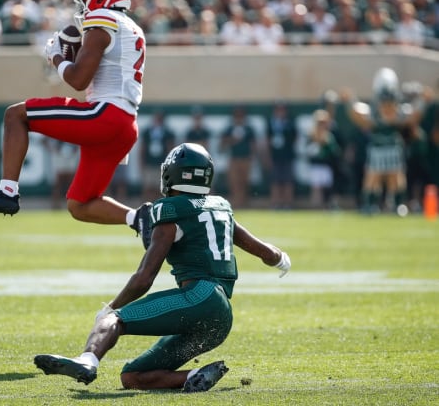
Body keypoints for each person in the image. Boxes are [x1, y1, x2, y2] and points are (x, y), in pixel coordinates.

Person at [34, 143, 292, 391]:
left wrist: (111, 309)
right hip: (221, 320)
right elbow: (261, 249)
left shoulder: (170, 209)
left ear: (172, 174)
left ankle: (87, 361)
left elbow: (144, 278)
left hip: (200, 297)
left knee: (114, 319)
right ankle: (194, 376)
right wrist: (279, 258)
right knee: (133, 377)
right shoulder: (220, 207)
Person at [0, 0, 152, 248]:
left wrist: (57, 57)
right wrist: (72, 49)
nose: (84, 5)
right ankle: (140, 217)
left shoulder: (104, 20)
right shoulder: (130, 26)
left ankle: (7, 192)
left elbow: (77, 79)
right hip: (125, 124)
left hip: (105, 115)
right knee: (80, 205)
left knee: (16, 115)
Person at [341, 68, 429, 214]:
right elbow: (358, 114)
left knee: (396, 177)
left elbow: (413, 115)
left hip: (393, 147)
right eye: (385, 101)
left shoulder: (400, 112)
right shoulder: (373, 113)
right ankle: (370, 204)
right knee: (372, 178)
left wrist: (423, 101)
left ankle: (398, 204)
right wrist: (349, 101)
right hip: (377, 147)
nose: (387, 105)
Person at [220, 106, 257, 209]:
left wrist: (252, 158)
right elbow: (222, 145)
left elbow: (253, 144)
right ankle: (236, 204)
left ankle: (245, 203)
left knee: (245, 182)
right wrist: (232, 140)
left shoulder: (249, 129)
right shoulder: (229, 129)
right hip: (234, 159)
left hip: (246, 159)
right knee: (234, 182)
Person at [266, 101, 297, 209]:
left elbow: (295, 138)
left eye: (282, 110)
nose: (280, 112)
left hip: (288, 156)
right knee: (275, 181)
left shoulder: (290, 123)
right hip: (275, 156)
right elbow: (268, 141)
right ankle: (275, 203)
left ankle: (287, 204)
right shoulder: (271, 123)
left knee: (288, 180)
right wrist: (268, 157)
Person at [140, 111, 175, 202]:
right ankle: (147, 205)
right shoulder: (147, 132)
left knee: (160, 188)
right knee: (148, 187)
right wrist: (141, 164)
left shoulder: (168, 132)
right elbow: (142, 149)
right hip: (149, 163)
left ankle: (158, 205)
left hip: (162, 165)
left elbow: (170, 149)